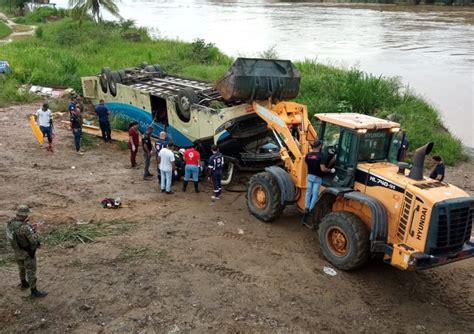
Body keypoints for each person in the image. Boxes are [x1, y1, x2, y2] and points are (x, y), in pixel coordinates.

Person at [5, 205, 48, 298]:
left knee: (21, 268)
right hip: (27, 253)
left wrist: (30, 228)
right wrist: (36, 231)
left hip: (17, 251)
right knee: (31, 271)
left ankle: (24, 283)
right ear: (25, 215)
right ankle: (34, 291)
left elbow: (15, 235)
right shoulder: (24, 227)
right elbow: (33, 241)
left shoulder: (10, 223)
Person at [303, 140, 335, 224]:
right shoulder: (322, 156)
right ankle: (311, 209)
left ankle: (306, 207)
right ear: (320, 146)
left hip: (309, 176)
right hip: (317, 178)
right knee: (315, 194)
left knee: (308, 192)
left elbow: (306, 163)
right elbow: (323, 169)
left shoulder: (308, 155)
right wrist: (330, 170)